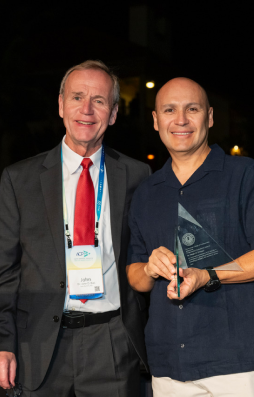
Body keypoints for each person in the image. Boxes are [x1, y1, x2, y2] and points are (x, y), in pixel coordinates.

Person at [0, 60, 150, 397]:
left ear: (112, 113)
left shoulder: (138, 177)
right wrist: (3, 342)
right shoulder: (19, 179)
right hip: (37, 345)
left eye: (98, 100)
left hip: (112, 343)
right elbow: (4, 270)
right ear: (60, 105)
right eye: (77, 97)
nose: (86, 109)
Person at [127, 77, 254, 397]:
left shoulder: (246, 175)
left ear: (209, 117)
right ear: (156, 121)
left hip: (239, 363)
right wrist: (150, 268)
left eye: (191, 109)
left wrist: (207, 275)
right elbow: (136, 277)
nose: (180, 120)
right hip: (168, 366)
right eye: (169, 110)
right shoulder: (145, 193)